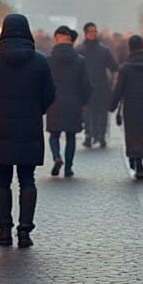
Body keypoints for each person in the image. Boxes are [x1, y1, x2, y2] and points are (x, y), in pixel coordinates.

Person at [0, 13, 55, 248]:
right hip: (30, 126)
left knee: (3, 179)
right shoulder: (40, 61)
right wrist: (36, 110)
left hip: (1, 125)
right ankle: (25, 232)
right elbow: (49, 94)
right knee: (27, 179)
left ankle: (4, 229)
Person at [110, 35, 143, 179]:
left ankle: (135, 160)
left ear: (130, 47)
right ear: (142, 45)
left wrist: (112, 105)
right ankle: (142, 161)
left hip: (131, 105)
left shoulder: (125, 67)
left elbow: (119, 88)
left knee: (132, 134)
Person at [46, 27, 92, 177]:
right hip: (74, 101)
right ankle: (68, 168)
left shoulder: (48, 60)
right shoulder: (80, 60)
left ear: (56, 38)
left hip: (54, 101)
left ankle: (56, 156)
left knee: (54, 134)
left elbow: (43, 82)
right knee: (71, 136)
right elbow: (86, 84)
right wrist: (84, 102)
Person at [78, 21, 117, 148]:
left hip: (99, 85)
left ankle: (99, 135)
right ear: (85, 33)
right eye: (91, 31)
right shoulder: (82, 50)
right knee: (90, 112)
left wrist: (112, 83)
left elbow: (114, 67)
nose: (93, 34)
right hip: (90, 86)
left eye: (94, 31)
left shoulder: (101, 50)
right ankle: (91, 135)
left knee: (99, 112)